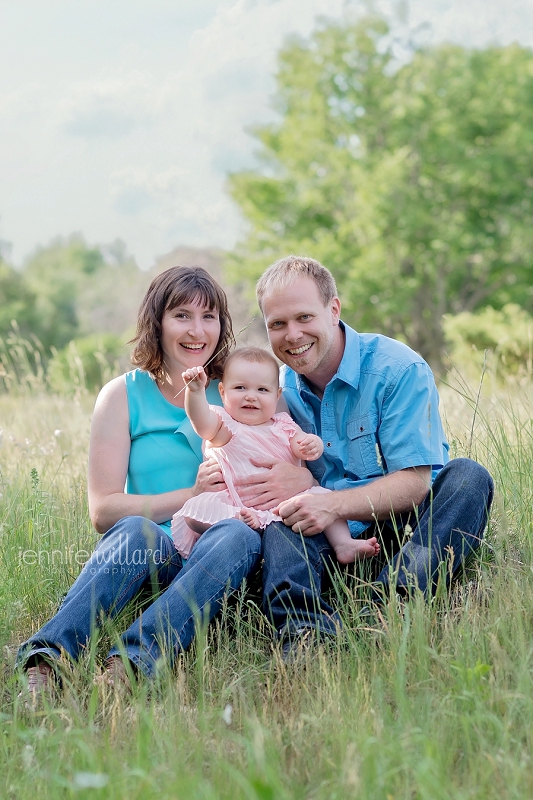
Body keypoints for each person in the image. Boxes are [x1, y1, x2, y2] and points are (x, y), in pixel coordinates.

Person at [17, 266, 272, 695]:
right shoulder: (123, 394)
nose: (197, 330)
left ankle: (130, 664)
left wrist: (297, 472)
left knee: (237, 535)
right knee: (137, 531)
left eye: (209, 317)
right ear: (157, 322)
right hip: (156, 556)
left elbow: (286, 442)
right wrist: (190, 495)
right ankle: (47, 662)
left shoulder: (237, 385)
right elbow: (103, 512)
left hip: (222, 561)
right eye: (182, 315)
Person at [235, 255, 494, 659]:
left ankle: (392, 607)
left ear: (333, 308)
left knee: (468, 478)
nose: (292, 335)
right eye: (277, 324)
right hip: (329, 536)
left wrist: (327, 500)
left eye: (304, 317)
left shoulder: (397, 368)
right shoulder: (274, 391)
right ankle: (307, 639)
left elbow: (414, 482)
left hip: (410, 527)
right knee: (283, 524)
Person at [171, 346, 380, 565]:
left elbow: (301, 446)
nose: (251, 396)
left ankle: (343, 544)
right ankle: (236, 520)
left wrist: (313, 444)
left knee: (321, 496)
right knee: (195, 515)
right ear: (222, 392)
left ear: (277, 395)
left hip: (285, 504)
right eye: (240, 387)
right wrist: (195, 392)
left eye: (262, 390)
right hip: (237, 502)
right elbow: (201, 422)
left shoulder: (283, 424)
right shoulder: (224, 426)